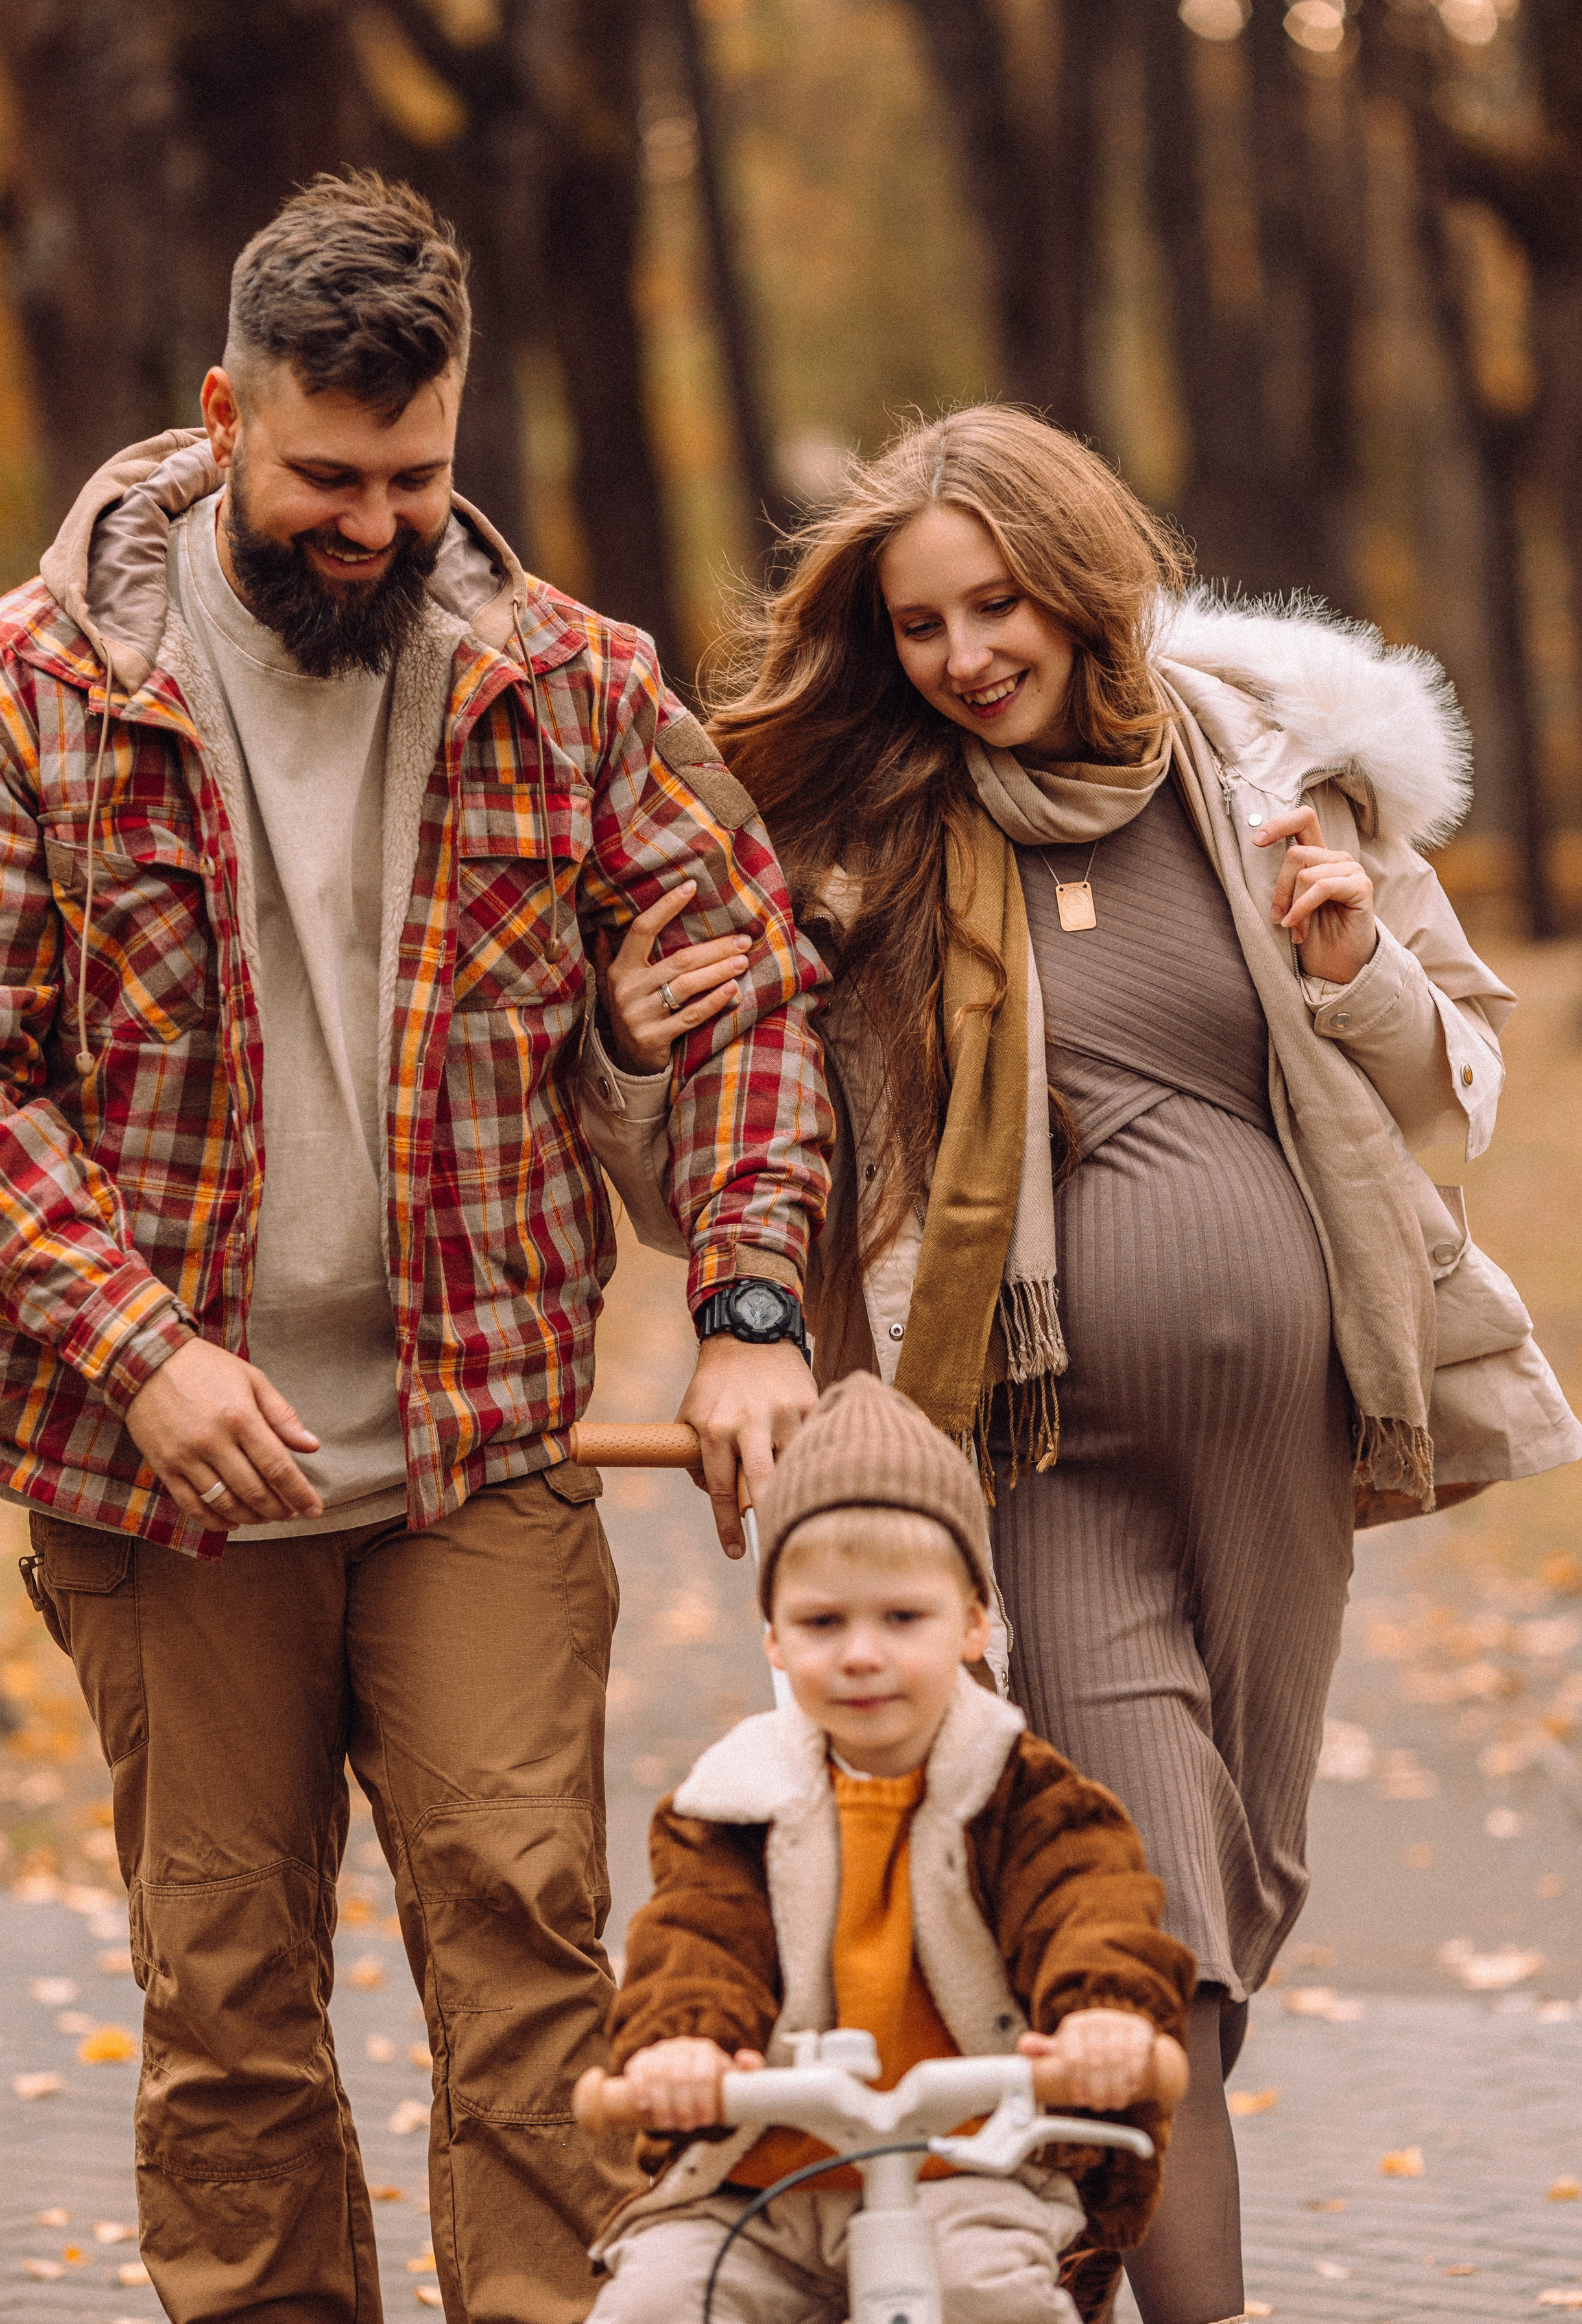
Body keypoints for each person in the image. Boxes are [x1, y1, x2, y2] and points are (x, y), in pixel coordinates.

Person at [0, 172, 831, 2324]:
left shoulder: (568, 685)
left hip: (478, 1434)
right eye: (326, 477)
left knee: (528, 1938)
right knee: (229, 1987)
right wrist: (141, 1347)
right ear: (226, 414)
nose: (370, 524)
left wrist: (750, 1303)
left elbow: (740, 983)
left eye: (415, 480)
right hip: (165, 1469)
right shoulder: (17, 698)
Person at [596, 403, 1582, 2324]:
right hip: (1027, 1449)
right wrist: (640, 1053)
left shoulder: (1268, 774)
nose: (966, 658)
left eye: (998, 608)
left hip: (1287, 1442)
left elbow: (1447, 1065)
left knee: (1242, 1882)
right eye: (922, 627)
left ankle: (1039, 2239)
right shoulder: (866, 849)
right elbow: (742, 1138)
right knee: (1159, 1931)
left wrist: (1351, 953)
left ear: (1082, 583)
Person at [584, 1371, 1195, 2324]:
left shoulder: (1030, 1798)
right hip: (762, 2182)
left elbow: (1093, 1910)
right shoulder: (732, 1804)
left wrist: (1105, 2020)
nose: (861, 1654)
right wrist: (685, 2045)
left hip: (972, 2169)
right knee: (659, 2301)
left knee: (986, 2296)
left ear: (972, 1625)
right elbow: (695, 1940)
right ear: (776, 1641)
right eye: (824, 1622)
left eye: (901, 1619)